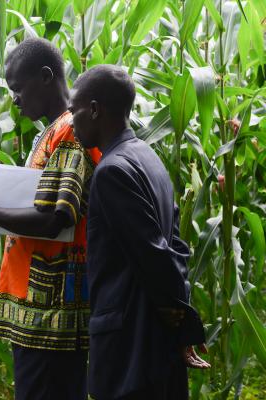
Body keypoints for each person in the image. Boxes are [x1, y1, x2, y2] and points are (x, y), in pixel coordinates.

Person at [0, 38, 100, 400]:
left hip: (49, 314)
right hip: (40, 309)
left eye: (18, 89)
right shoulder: (53, 130)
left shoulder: (68, 131)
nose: (15, 100)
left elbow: (57, 218)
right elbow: (43, 194)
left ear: (46, 76)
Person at [68, 64, 210, 400]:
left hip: (131, 349)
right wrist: (180, 316)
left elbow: (154, 255)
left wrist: (183, 326)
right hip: (155, 347)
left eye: (74, 110)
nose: (71, 121)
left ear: (94, 109)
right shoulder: (149, 158)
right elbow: (176, 246)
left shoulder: (112, 171)